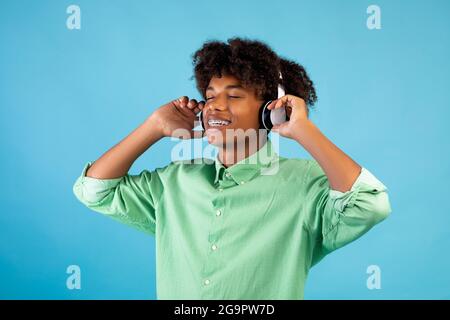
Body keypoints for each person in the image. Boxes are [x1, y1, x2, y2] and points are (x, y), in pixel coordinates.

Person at [73, 37, 391, 299]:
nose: (215, 105)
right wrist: (153, 127)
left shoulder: (305, 184)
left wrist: (303, 130)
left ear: (271, 110)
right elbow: (95, 190)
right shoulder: (175, 181)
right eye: (209, 96)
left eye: (234, 95)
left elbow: (369, 204)